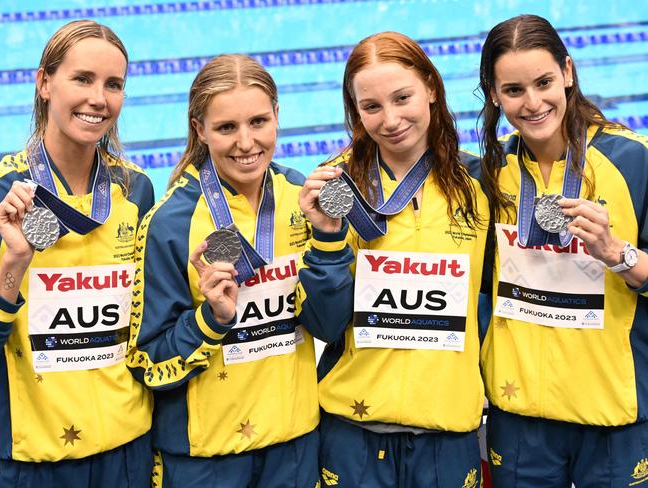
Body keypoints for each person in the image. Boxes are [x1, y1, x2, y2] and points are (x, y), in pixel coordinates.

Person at [296, 31, 489, 488]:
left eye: (402, 97)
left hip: (448, 431)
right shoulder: (335, 189)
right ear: (356, 111)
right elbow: (324, 323)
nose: (390, 119)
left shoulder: (480, 183)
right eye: (371, 107)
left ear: (431, 88)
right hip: (353, 432)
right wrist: (326, 236)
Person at [126, 54, 319, 488]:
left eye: (258, 122)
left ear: (277, 117)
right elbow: (147, 362)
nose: (246, 143)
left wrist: (327, 245)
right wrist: (209, 320)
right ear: (200, 130)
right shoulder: (170, 223)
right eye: (226, 128)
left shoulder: (301, 199)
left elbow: (328, 322)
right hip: (206, 458)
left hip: (294, 447)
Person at [477, 14, 648, 487]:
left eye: (544, 82)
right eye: (513, 90)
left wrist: (618, 253)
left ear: (568, 73)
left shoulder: (632, 160)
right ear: (494, 94)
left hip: (613, 413)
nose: (532, 103)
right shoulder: (489, 174)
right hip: (520, 417)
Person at [0, 20, 155, 487]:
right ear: (45, 83)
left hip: (126, 447)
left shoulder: (136, 189)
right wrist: (13, 267)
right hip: (31, 454)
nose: (99, 99)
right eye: (82, 79)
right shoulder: (4, 191)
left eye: (114, 85)